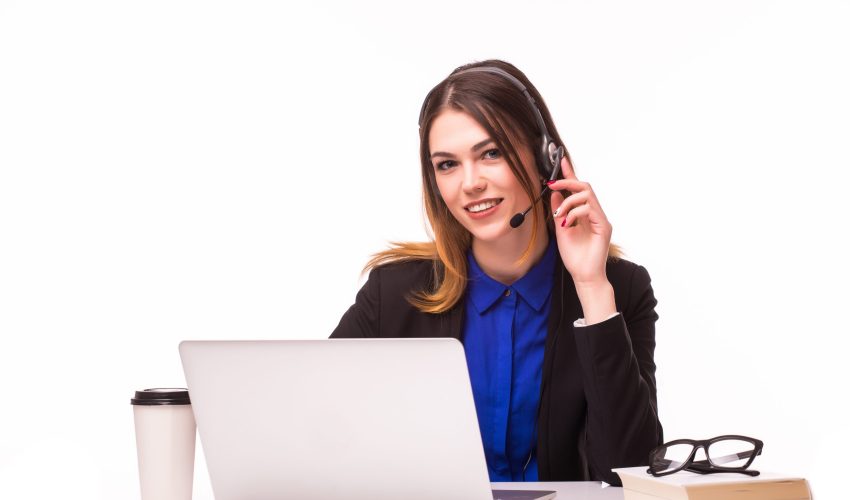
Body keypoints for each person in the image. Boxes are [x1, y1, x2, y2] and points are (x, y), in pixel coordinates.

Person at [330, 59, 662, 486]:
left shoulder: (621, 290)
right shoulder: (392, 295)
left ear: (547, 158)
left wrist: (591, 286)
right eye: (447, 164)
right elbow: (319, 435)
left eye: (491, 153)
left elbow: (630, 476)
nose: (470, 183)